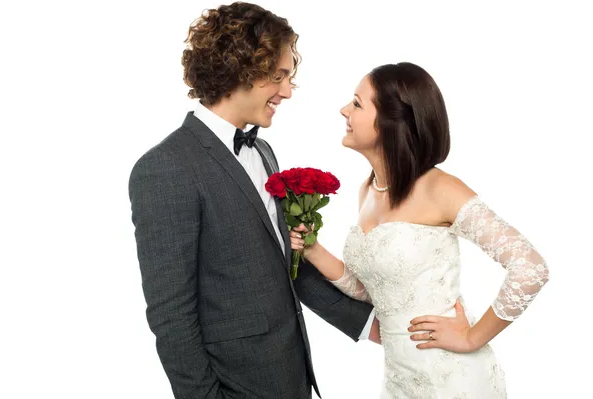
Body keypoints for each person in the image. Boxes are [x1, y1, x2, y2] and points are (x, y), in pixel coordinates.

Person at [128, 3, 378, 398]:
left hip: (291, 377)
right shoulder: (165, 168)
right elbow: (171, 316)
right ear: (237, 71)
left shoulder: (263, 152)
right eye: (278, 77)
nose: (287, 92)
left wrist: (373, 326)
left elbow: (284, 267)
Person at [291, 62, 550, 398]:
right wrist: (311, 249)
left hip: (451, 378)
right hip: (399, 378)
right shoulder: (368, 190)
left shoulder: (440, 188)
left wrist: (472, 336)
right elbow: (374, 289)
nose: (344, 110)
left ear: (391, 122)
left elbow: (531, 268)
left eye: (357, 103)